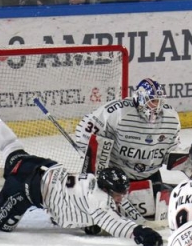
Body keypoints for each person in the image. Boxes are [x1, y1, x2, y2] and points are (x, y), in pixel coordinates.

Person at [0, 100, 163, 246]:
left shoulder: (93, 180)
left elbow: (118, 204)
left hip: (41, 166)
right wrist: (138, 231)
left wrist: (139, 220)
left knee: (12, 150)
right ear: (107, 191)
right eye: (118, 194)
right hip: (24, 188)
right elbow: (114, 224)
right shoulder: (98, 202)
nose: (120, 198)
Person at [74, 78, 181, 221]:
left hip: (150, 174)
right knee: (99, 214)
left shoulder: (171, 117)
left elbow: (172, 147)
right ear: (141, 98)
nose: (157, 106)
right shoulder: (117, 112)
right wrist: (90, 156)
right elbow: (84, 129)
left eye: (159, 101)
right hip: (117, 176)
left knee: (156, 213)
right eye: (152, 100)